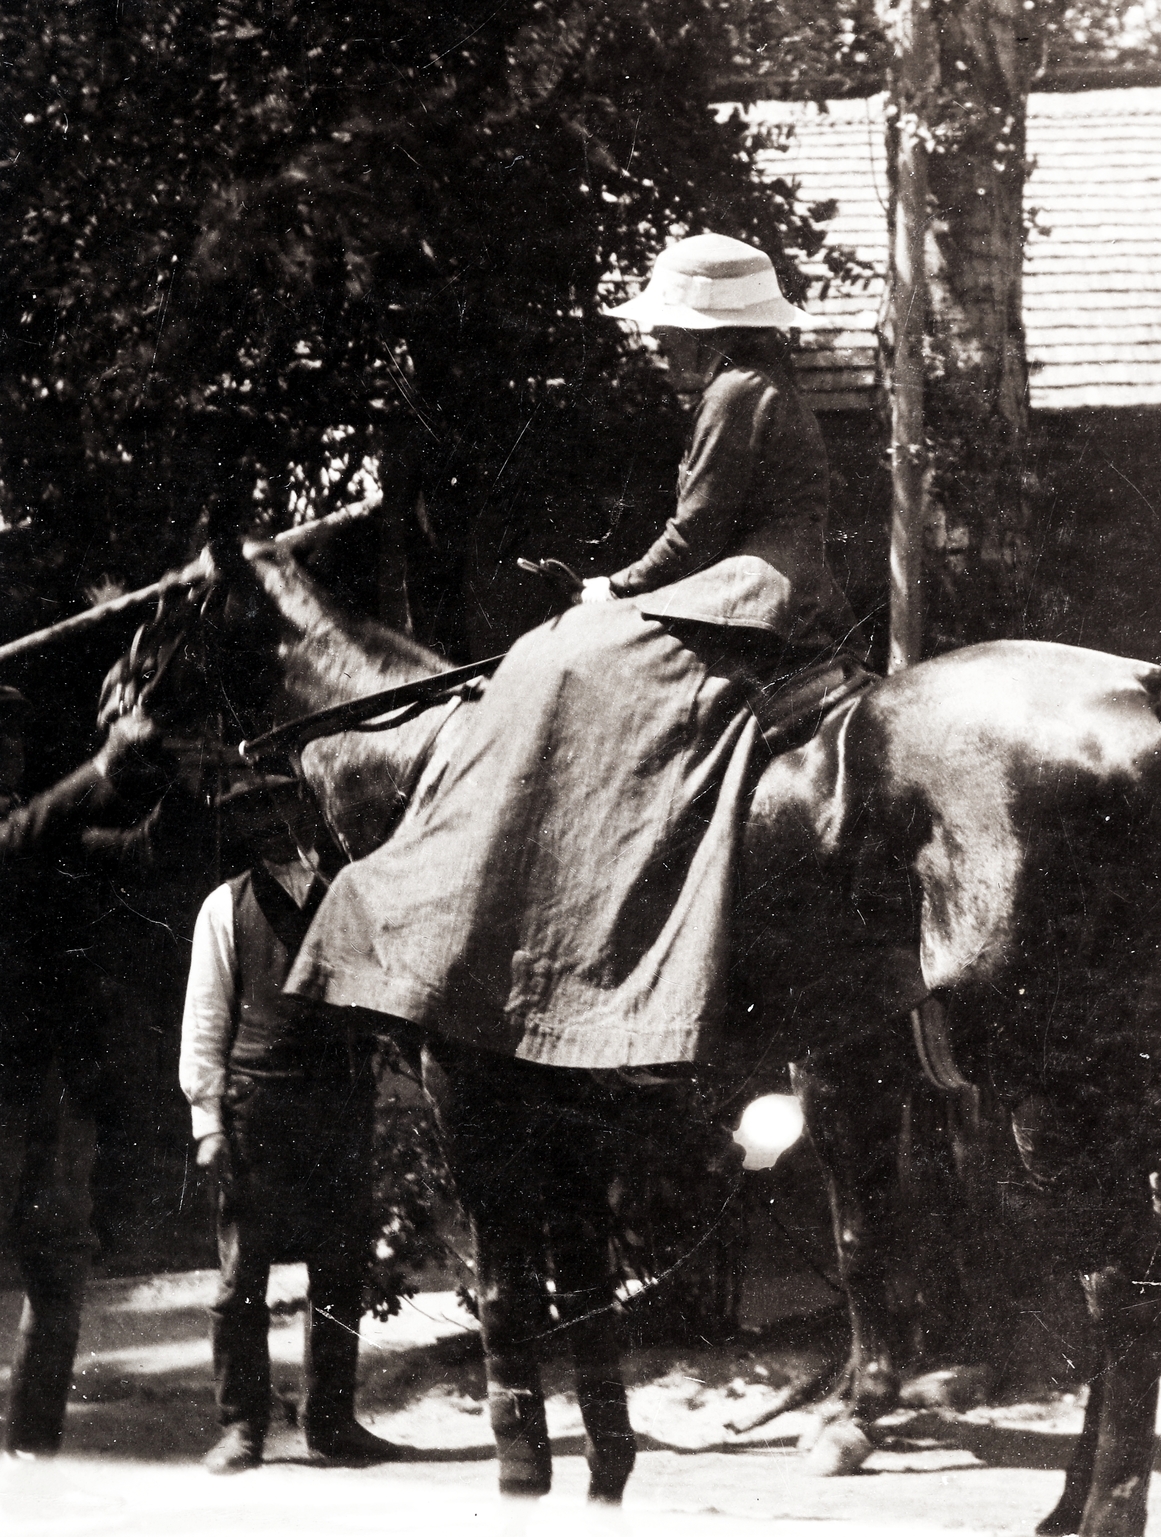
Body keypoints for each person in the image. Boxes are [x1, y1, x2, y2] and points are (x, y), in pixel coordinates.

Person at [287, 232, 860, 1070]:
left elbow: (695, 534)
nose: (662, 345)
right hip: (775, 577)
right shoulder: (760, 383)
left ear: (707, 330)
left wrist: (614, 589)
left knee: (560, 659)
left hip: (754, 587)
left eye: (672, 330)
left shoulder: (735, 393)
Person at [180, 803, 401, 1474]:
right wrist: (208, 1123)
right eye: (267, 818)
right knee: (242, 1276)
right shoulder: (226, 905)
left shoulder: (349, 894)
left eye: (296, 815)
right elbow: (204, 1016)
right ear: (250, 827)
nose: (286, 830)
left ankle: (331, 1422)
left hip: (337, 1108)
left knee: (340, 1266)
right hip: (258, 1114)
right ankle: (242, 1426)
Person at [1, 696, 181, 1458]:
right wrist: (109, 762)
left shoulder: (41, 825)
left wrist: (184, 782)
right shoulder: (27, 828)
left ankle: (32, 1457)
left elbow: (136, 852)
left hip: (50, 1085)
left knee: (59, 1273)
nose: (7, 748)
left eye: (10, 734)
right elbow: (19, 841)